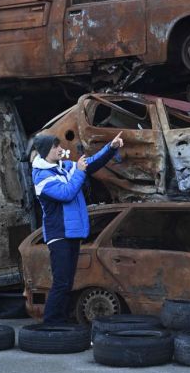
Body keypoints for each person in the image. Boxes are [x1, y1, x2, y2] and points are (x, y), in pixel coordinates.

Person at [31, 132, 123, 325]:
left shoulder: (65, 166)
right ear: (46, 151)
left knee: (67, 282)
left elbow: (90, 163)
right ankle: (51, 324)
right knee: (61, 282)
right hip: (59, 235)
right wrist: (80, 171)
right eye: (55, 147)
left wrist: (111, 147)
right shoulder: (41, 177)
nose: (60, 149)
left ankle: (61, 322)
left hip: (72, 234)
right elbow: (66, 193)